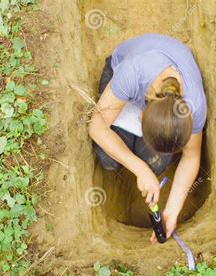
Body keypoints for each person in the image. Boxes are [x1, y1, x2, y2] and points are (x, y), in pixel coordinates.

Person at [88, 34, 206, 243]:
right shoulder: (132, 73)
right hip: (123, 73)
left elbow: (191, 157)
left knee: (156, 164)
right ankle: (128, 167)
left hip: (157, 100)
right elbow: (96, 127)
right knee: (109, 160)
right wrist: (139, 168)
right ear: (141, 114)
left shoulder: (194, 108)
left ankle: (140, 160)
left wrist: (172, 211)